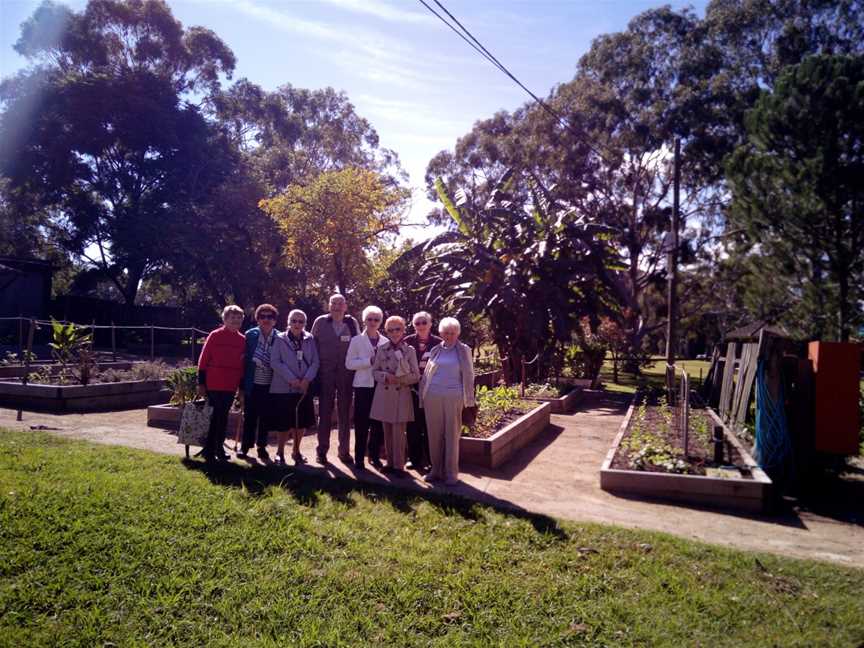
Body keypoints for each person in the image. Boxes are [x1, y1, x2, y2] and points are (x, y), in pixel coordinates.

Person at [418, 317, 476, 486]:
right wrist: (423, 395)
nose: (449, 336)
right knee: (434, 435)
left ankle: (451, 473)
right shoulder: (436, 350)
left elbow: (469, 375)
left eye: (453, 333)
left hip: (454, 397)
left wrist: (469, 400)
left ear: (457, 333)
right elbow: (428, 374)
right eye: (446, 333)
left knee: (451, 435)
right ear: (441, 333)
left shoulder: (464, 350)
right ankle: (435, 470)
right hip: (432, 396)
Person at [311, 294, 360, 465]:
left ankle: (344, 451)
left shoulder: (352, 323)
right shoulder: (320, 322)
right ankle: (322, 451)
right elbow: (311, 345)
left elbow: (358, 345)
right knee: (324, 412)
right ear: (329, 306)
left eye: (340, 303)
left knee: (345, 412)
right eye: (334, 303)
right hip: (325, 373)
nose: (337, 307)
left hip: (346, 374)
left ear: (345, 306)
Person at [370, 315, 420, 474]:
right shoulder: (381, 349)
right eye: (390, 330)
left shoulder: (410, 350)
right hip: (384, 394)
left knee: (399, 432)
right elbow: (374, 372)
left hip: (401, 393)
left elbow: (416, 375)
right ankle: (390, 463)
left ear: (404, 330)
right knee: (387, 430)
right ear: (386, 331)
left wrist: (399, 379)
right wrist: (385, 377)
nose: (394, 333)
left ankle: (399, 465)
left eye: (397, 329)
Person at [197, 305, 246, 463]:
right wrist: (201, 383)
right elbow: (203, 361)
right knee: (215, 416)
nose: (235, 321)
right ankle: (210, 449)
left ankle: (218, 448)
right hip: (214, 383)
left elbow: (242, 365)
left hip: (230, 384)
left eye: (239, 319)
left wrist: (241, 388)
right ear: (225, 319)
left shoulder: (242, 340)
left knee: (223, 416)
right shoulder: (215, 335)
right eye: (232, 318)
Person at [271, 309, 319, 465]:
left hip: (304, 387)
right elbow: (275, 362)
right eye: (294, 321)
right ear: (288, 322)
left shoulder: (310, 339)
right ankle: (279, 453)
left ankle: (296, 451)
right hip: (284, 386)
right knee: (284, 422)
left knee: (302, 421)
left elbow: (315, 362)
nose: (297, 324)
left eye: (301, 321)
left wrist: (306, 379)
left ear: (305, 324)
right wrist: (291, 379)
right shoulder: (279, 339)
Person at [345, 305, 387, 471]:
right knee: (361, 424)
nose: (373, 322)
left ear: (380, 322)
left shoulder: (385, 341)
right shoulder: (356, 340)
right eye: (369, 319)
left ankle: (374, 456)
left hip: (380, 387)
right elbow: (349, 363)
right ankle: (359, 458)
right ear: (364, 320)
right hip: (362, 386)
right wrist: (368, 361)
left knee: (377, 424)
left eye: (376, 319)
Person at [238, 304, 279, 462]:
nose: (266, 320)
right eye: (262, 316)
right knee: (250, 416)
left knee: (265, 417)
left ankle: (262, 446)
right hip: (252, 383)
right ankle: (245, 446)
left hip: (270, 384)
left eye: (270, 317)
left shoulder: (280, 337)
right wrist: (241, 386)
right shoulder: (250, 335)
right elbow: (243, 362)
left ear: (274, 320)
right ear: (258, 319)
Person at [403, 311, 442, 472]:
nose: (421, 326)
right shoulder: (407, 341)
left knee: (429, 425)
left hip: (431, 390)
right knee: (412, 425)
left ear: (431, 324)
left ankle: (431, 460)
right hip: (411, 389)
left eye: (424, 322)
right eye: (417, 323)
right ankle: (414, 459)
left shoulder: (439, 343)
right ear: (413, 325)